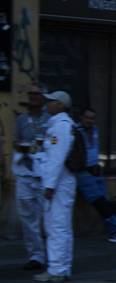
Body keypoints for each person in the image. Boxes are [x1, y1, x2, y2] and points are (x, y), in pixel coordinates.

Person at [76, 107, 116, 244]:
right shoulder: (75, 131)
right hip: (83, 172)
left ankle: (114, 232)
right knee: (100, 203)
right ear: (81, 117)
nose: (90, 121)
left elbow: (95, 149)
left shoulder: (95, 130)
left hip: (97, 171)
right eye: (87, 117)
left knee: (105, 203)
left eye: (92, 118)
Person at [33, 90, 76, 282]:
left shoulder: (60, 127)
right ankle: (61, 267)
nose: (47, 104)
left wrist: (49, 186)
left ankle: (57, 270)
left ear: (60, 105)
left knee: (56, 226)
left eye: (51, 101)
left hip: (59, 183)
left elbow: (57, 159)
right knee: (60, 225)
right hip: (60, 181)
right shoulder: (60, 126)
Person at [13, 84, 50, 271]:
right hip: (26, 173)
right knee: (28, 218)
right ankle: (35, 255)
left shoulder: (50, 119)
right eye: (31, 94)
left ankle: (52, 254)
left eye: (37, 94)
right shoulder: (21, 119)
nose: (33, 97)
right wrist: (23, 148)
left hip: (45, 176)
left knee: (48, 218)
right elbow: (15, 142)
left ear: (44, 97)